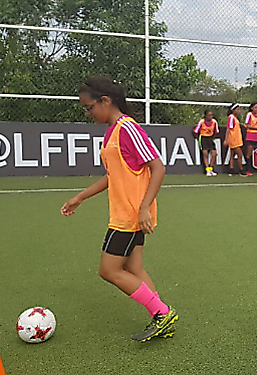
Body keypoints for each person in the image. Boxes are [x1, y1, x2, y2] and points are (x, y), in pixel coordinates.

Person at [60, 77, 178, 342]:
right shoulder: (112, 132)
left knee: (109, 270)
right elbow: (113, 175)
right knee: (135, 269)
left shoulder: (127, 129)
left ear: (105, 100)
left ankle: (162, 312)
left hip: (129, 216)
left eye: (89, 107)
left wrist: (144, 207)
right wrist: (81, 197)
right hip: (129, 214)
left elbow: (158, 167)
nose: (87, 113)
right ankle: (161, 317)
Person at [193, 109, 220, 177]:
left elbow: (216, 132)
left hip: (210, 138)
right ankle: (207, 170)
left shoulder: (214, 122)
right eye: (209, 115)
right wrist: (198, 138)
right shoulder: (201, 122)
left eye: (211, 115)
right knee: (205, 154)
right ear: (205, 116)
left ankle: (211, 168)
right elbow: (195, 131)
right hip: (203, 138)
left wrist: (212, 138)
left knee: (214, 154)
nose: (211, 117)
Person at [224, 103, 247, 177]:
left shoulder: (234, 118)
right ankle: (241, 170)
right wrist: (226, 139)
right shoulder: (231, 117)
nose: (238, 111)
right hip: (233, 139)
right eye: (237, 109)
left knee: (232, 154)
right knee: (239, 155)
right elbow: (229, 128)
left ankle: (231, 169)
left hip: (236, 138)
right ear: (233, 110)